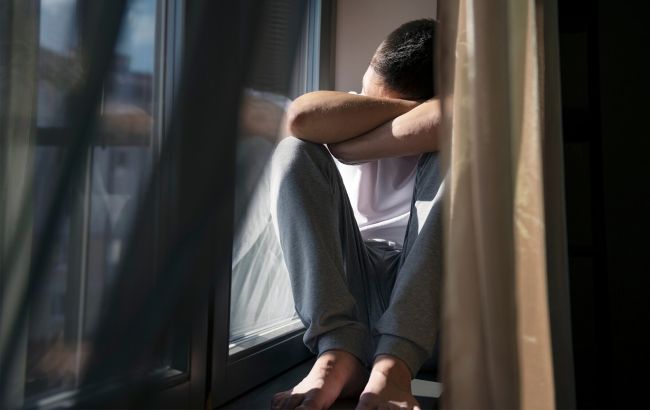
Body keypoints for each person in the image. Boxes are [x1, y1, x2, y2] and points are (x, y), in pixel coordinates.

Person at [269, 19, 442, 410]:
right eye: (367, 94)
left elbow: (457, 116)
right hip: (350, 302)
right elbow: (300, 119)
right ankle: (337, 353)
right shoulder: (351, 109)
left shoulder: (458, 115)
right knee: (293, 151)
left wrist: (352, 146)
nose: (364, 101)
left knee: (457, 157)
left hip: (424, 308)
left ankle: (394, 367)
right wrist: (403, 114)